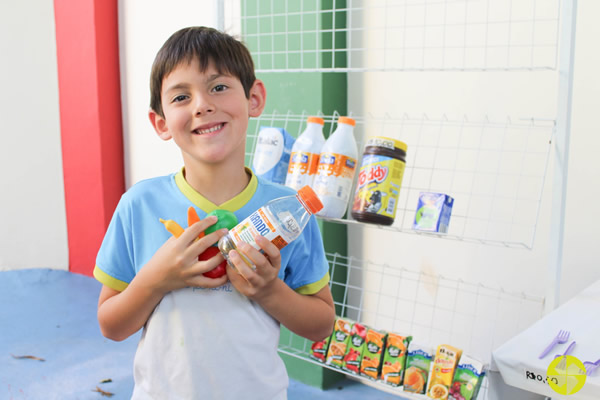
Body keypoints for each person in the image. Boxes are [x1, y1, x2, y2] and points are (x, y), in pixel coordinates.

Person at [94, 26, 335, 399]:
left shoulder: (287, 213)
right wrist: (156, 279)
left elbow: (321, 324)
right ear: (160, 123)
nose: (202, 105)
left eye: (218, 87)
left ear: (254, 99)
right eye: (180, 97)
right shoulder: (139, 205)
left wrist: (269, 290)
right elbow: (111, 324)